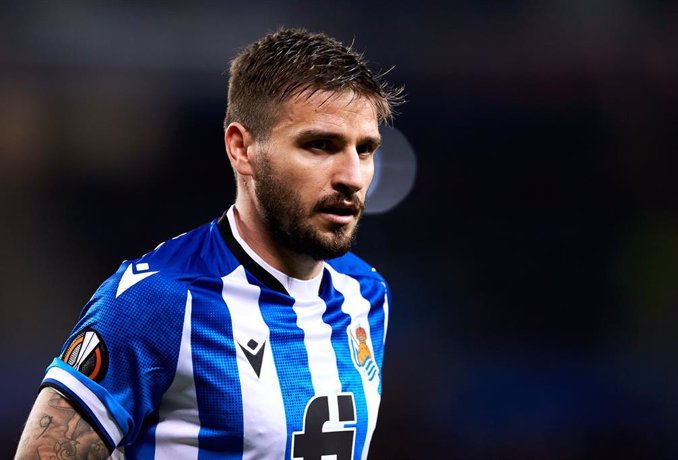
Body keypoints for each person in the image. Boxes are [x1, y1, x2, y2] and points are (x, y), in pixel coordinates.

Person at [15, 27, 404, 459]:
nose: (352, 176)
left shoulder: (366, 294)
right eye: (319, 145)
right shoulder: (156, 300)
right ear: (242, 149)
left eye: (365, 149)